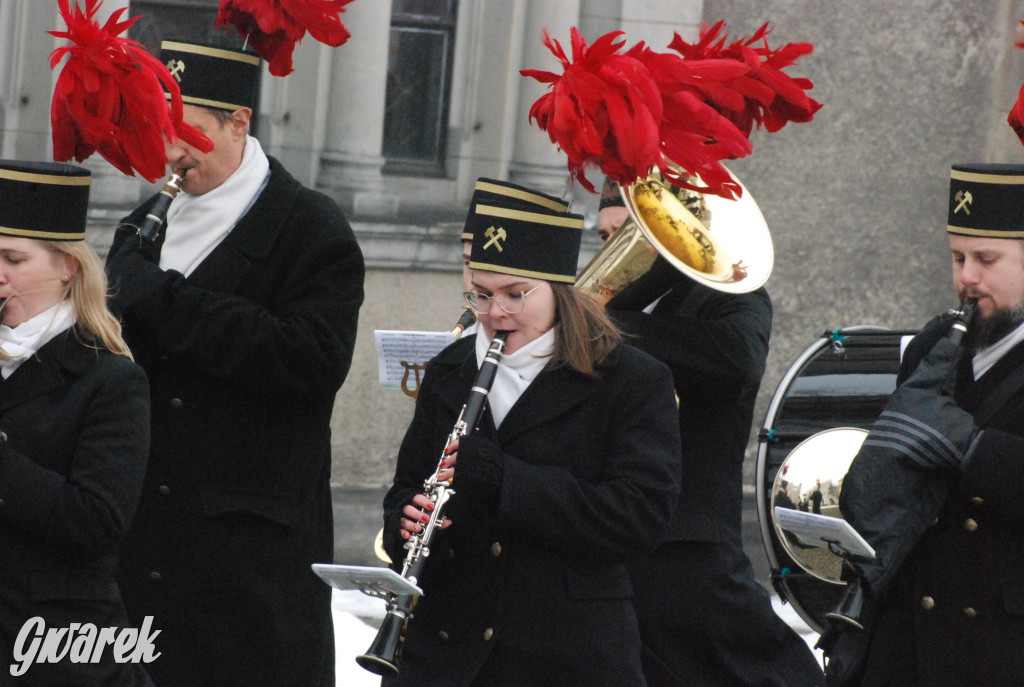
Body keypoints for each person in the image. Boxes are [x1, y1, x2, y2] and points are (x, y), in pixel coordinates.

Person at [105, 41, 364, 686]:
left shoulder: (310, 226)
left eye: (186, 132)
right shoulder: (147, 221)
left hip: (251, 561)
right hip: (144, 542)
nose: (169, 154)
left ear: (239, 122)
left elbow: (310, 359)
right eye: (157, 132)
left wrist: (162, 300)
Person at [378, 179, 682, 686]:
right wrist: (405, 518)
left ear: (559, 290)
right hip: (445, 651)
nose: (494, 314)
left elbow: (640, 518)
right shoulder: (451, 369)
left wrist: (506, 480)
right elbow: (406, 485)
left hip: (564, 652)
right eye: (479, 295)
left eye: (516, 295)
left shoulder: (631, 378)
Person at [599, 178, 826, 686]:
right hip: (615, 530)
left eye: (625, 235)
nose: (611, 253)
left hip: (689, 544)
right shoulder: (610, 306)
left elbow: (737, 360)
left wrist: (602, 328)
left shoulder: (729, 297)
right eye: (603, 237)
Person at [828, 164, 1024, 686]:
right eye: (957, 258)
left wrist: (971, 446)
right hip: (907, 626)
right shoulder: (937, 342)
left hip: (996, 641)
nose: (966, 278)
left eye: (986, 260)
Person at [0, 161, 152, 685]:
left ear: (68, 267)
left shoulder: (110, 379)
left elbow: (97, 520)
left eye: (13, 259)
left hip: (55, 644)